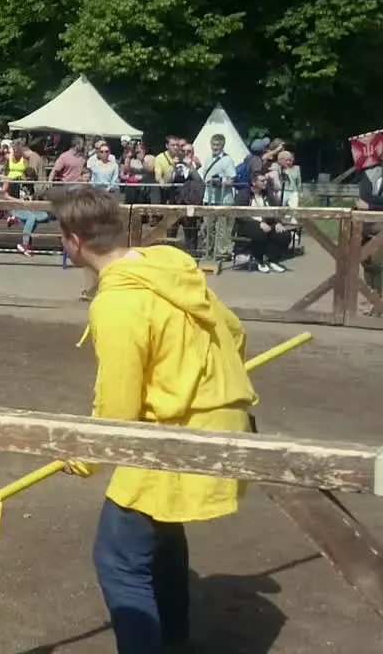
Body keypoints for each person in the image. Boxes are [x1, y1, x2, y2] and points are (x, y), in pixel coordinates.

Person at [52, 186, 256, 654]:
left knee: (118, 558)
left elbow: (119, 407)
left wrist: (83, 458)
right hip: (217, 422)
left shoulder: (118, 303)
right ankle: (175, 639)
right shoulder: (168, 268)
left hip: (173, 433)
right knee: (160, 532)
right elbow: (235, 331)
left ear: (74, 241)